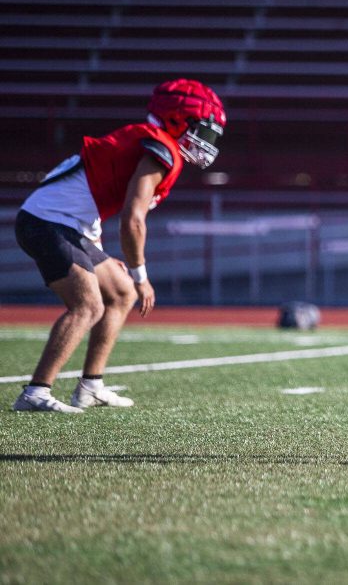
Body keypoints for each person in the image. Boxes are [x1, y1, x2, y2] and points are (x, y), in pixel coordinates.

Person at [12, 79, 226, 413]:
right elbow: (133, 219)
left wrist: (102, 252)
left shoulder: (152, 143)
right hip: (49, 222)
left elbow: (90, 196)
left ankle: (90, 387)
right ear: (175, 120)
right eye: (202, 131)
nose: (206, 142)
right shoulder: (161, 149)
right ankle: (36, 392)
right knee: (88, 306)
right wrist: (141, 273)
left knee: (120, 292)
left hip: (66, 222)